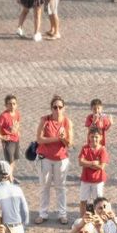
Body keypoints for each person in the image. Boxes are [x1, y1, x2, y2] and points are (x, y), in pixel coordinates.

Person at [35, 96, 73, 225]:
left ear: (64, 108)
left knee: (60, 187)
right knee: (44, 186)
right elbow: (39, 139)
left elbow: (70, 143)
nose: (57, 109)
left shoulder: (67, 122)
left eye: (60, 107)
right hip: (45, 158)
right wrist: (57, 138)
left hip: (61, 159)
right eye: (55, 107)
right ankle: (43, 213)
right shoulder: (45, 120)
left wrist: (63, 139)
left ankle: (62, 214)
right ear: (51, 108)